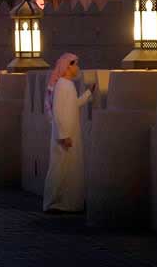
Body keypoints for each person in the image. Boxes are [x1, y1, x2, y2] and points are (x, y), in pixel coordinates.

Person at [43, 53, 96, 213]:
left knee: (69, 169)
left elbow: (73, 105)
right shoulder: (63, 85)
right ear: (68, 67)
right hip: (64, 136)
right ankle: (53, 203)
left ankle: (67, 203)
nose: (77, 68)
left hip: (69, 134)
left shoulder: (67, 84)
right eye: (74, 64)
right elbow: (58, 112)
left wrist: (88, 94)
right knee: (59, 169)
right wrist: (64, 135)